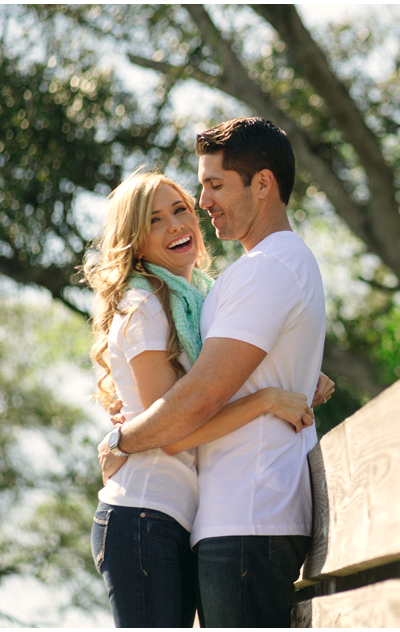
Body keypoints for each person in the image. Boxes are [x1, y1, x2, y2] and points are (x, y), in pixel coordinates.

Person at [98, 117, 328, 627]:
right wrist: (286, 385)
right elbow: (198, 391)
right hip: (186, 511)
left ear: (262, 184)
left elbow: (198, 397)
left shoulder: (264, 268)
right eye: (199, 189)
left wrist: (123, 438)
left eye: (212, 186)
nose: (201, 206)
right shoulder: (178, 296)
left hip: (244, 512)